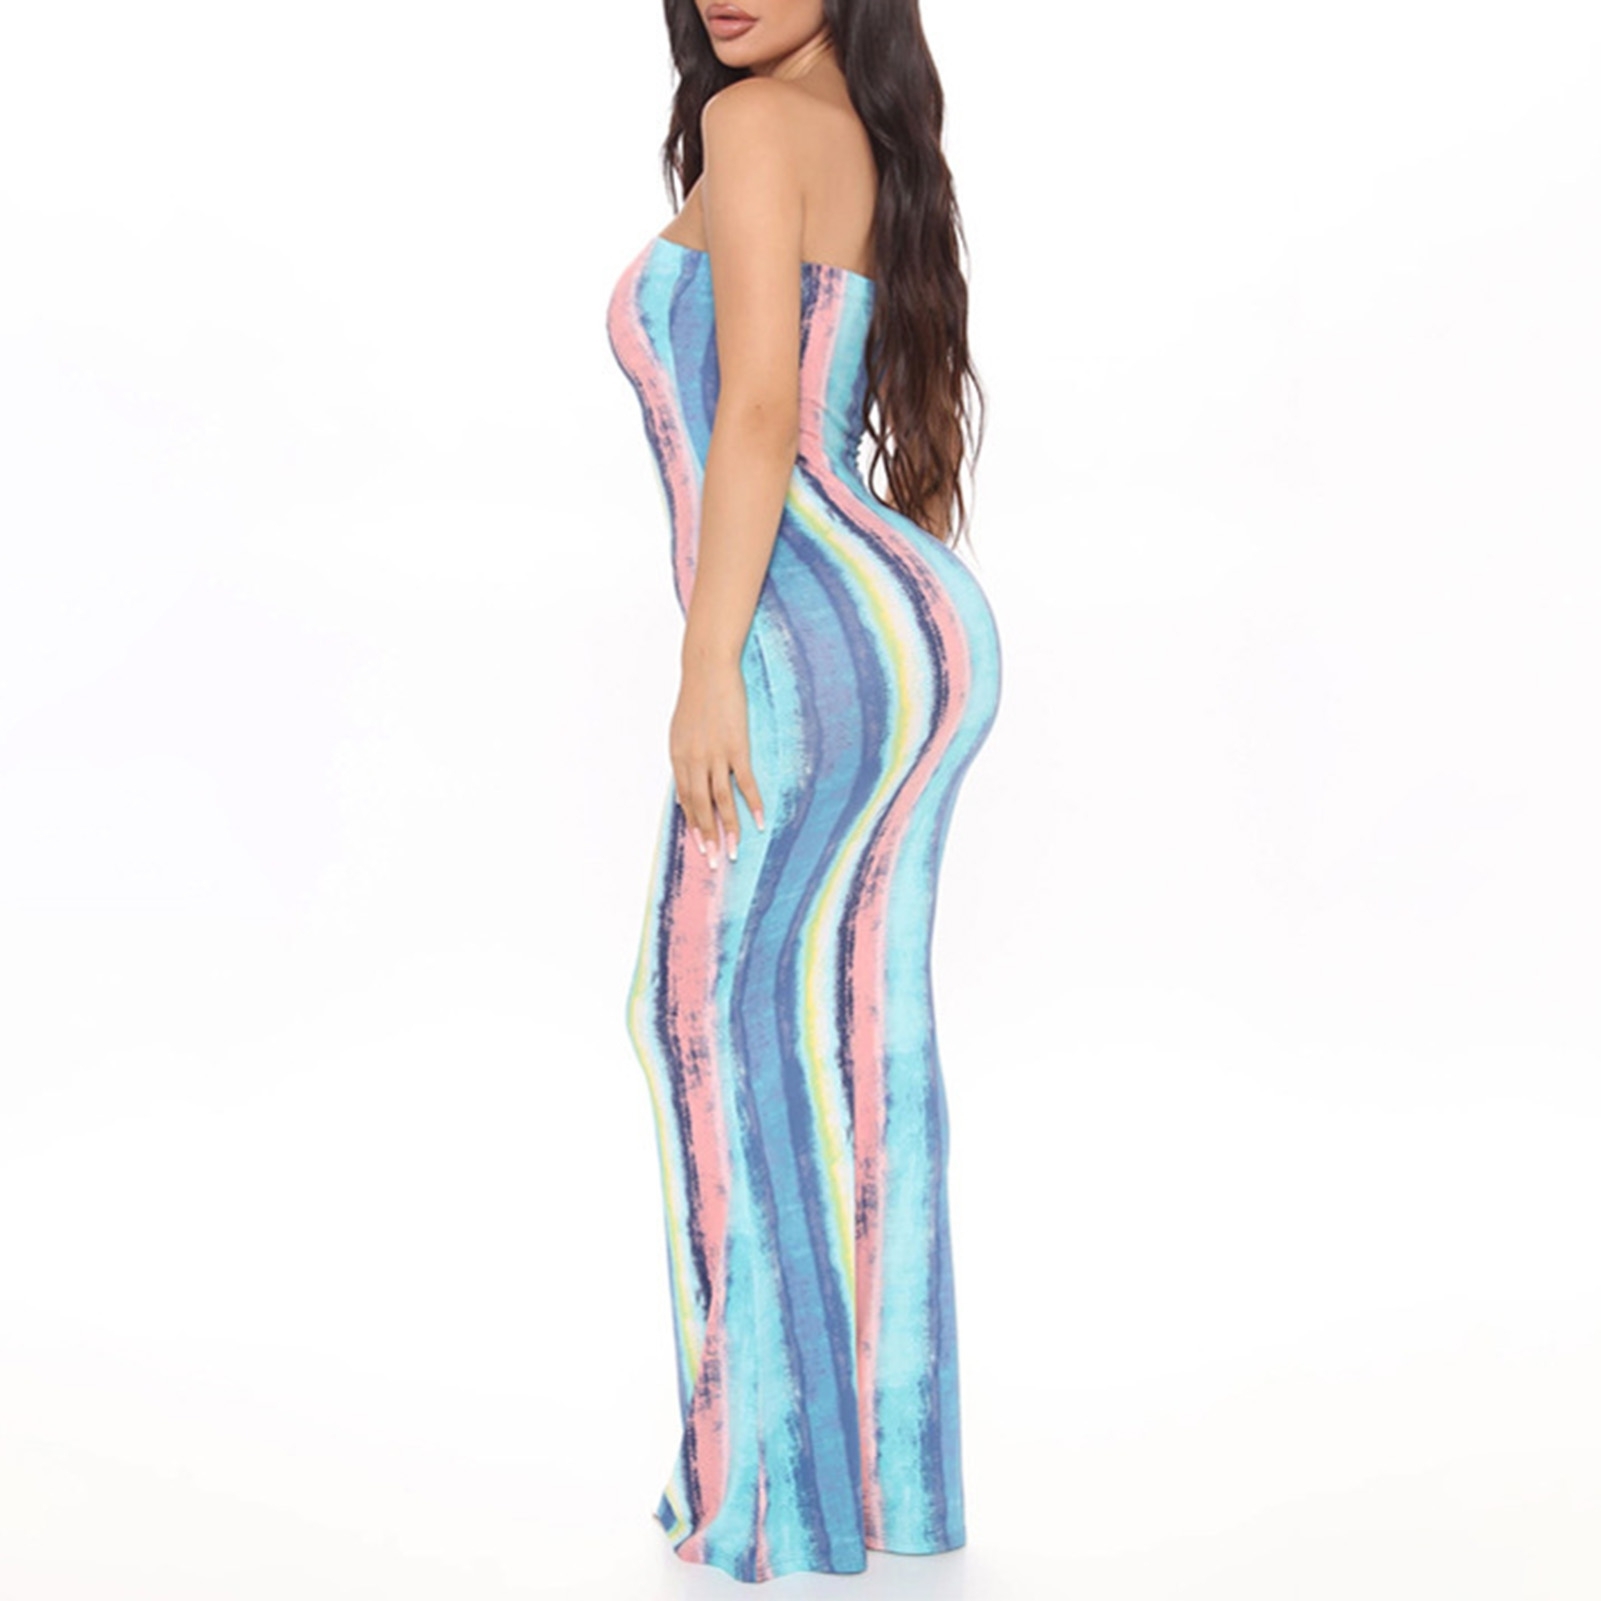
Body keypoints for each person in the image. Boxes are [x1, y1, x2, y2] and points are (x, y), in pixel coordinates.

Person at [606, 0, 1002, 1582]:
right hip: (914, 627)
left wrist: (709, 663)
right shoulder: (870, 140)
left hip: (801, 626)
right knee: (860, 1031)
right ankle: (891, 1488)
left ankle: (772, 1494)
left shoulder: (752, 122)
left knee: (698, 1013)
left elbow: (761, 411)